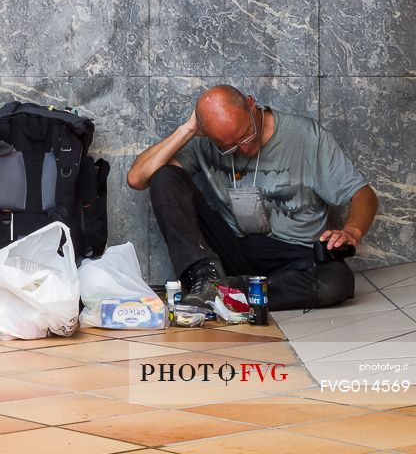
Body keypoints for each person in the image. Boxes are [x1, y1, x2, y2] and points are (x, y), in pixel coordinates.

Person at [127, 85, 378, 311]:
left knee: (337, 281)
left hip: (293, 254)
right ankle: (208, 278)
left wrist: (352, 231)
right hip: (233, 247)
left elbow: (362, 193)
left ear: (250, 103)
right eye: (231, 147)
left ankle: (227, 292)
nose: (244, 149)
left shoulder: (307, 136)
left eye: (246, 135)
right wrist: (188, 129)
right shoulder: (206, 141)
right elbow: (137, 178)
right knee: (164, 176)